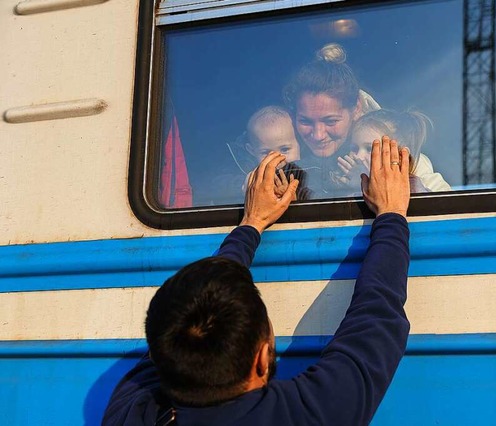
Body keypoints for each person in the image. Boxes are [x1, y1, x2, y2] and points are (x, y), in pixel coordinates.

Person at [102, 136, 411, 426]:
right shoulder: (307, 413)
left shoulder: (129, 412)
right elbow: (377, 314)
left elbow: (377, 317)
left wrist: (251, 223)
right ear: (262, 360)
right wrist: (392, 211)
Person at [282, 43, 380, 199]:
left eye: (331, 121)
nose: (318, 135)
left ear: (356, 108)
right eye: (305, 122)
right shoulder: (275, 142)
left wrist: (368, 185)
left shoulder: (388, 154)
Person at [336, 109, 451, 194]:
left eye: (370, 149)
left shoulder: (423, 180)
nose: (359, 156)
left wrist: (366, 186)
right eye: (354, 148)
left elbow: (441, 207)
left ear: (399, 155)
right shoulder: (343, 180)